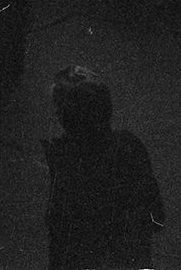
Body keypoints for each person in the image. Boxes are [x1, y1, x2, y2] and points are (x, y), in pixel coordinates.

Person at [43, 66, 164, 270]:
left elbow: (60, 234)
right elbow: (156, 217)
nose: (56, 114)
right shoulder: (129, 147)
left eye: (58, 108)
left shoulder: (68, 160)